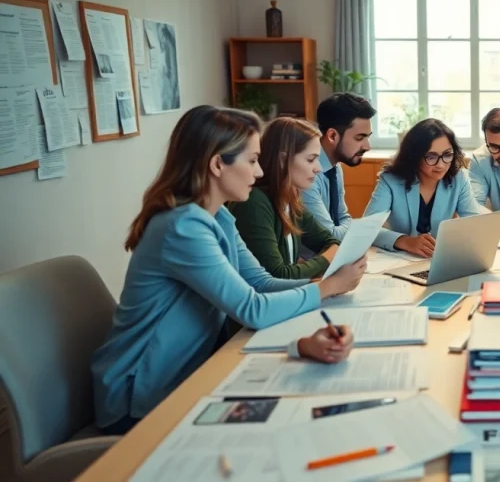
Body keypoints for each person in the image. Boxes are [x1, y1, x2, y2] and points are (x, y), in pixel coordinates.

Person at [91, 106, 363, 434]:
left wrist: (302, 342)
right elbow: (251, 309)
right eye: (251, 161)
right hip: (142, 399)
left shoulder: (218, 217)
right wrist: (328, 286)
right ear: (218, 164)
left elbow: (260, 284)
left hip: (191, 376)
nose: (259, 172)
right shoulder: (184, 227)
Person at [231, 117, 354, 280]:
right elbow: (278, 275)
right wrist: (326, 258)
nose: (318, 168)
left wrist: (307, 267)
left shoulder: (290, 199)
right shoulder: (254, 203)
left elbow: (332, 242)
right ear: (283, 160)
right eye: (311, 159)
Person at [364, 118, 486, 257]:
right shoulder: (390, 180)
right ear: (414, 156)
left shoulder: (458, 178)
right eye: (431, 157)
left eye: (447, 155)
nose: (440, 165)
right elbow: (367, 229)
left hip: (442, 259)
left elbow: (474, 224)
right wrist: (405, 241)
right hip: (400, 260)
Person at [302, 93, 376, 240]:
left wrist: (351, 227)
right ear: (332, 136)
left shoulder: (335, 168)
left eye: (368, 137)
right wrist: (357, 228)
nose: (367, 146)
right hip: (312, 259)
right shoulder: (306, 174)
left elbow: (343, 217)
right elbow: (330, 235)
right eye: (359, 138)